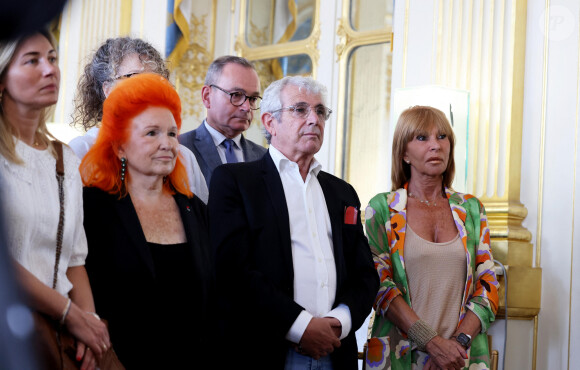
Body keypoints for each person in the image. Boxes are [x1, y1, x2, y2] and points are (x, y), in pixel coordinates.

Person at [208, 76, 379, 369]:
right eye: (300, 110)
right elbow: (232, 271)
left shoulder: (341, 192)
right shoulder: (236, 182)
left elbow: (365, 274)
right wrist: (301, 326)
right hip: (266, 350)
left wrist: (337, 323)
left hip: (336, 352)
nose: (314, 119)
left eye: (321, 111)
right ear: (270, 122)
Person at [80, 73, 214, 369]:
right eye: (152, 133)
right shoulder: (93, 207)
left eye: (172, 133)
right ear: (119, 147)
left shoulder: (197, 211)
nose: (167, 143)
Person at [0, 31, 110, 370]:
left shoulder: (63, 158)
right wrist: (69, 314)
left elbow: (75, 258)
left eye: (52, 58)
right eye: (32, 60)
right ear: (2, 79)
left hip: (56, 329)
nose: (50, 70)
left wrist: (88, 323)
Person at [364, 106, 499, 370]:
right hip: (399, 356)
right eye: (422, 138)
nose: (435, 145)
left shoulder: (471, 209)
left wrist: (455, 346)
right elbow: (379, 285)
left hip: (460, 358)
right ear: (404, 153)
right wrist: (432, 343)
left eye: (442, 137)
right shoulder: (382, 208)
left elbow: (488, 284)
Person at [70, 37, 209, 203]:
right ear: (107, 89)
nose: (148, 89)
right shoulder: (82, 151)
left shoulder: (183, 157)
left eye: (155, 80)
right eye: (135, 77)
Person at [179, 55, 267, 187]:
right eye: (236, 95)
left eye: (253, 99)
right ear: (207, 96)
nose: (247, 107)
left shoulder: (264, 157)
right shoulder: (179, 149)